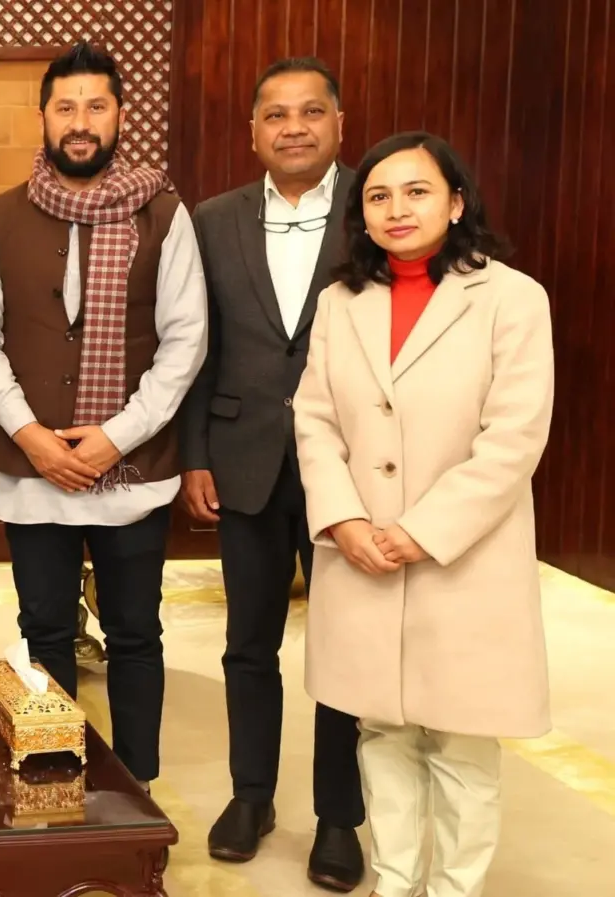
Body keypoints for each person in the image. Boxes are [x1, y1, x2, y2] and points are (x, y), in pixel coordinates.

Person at [294, 131, 553, 897]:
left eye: (417, 191)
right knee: (381, 731)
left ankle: (454, 888)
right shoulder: (341, 302)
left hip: (464, 556)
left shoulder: (512, 298)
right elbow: (314, 419)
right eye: (378, 196)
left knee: (463, 743)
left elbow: (514, 436)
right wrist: (343, 519)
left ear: (457, 203)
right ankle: (397, 879)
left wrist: (421, 530)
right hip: (362, 551)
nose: (397, 208)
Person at [0, 42, 207, 789]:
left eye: (96, 106)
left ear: (120, 114)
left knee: (134, 633)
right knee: (45, 629)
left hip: (133, 468)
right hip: (31, 468)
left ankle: (136, 789)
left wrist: (115, 437)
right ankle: (55, 783)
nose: (80, 122)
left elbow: (186, 339)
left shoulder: (164, 215)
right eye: (65, 107)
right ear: (42, 116)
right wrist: (31, 435)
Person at [178, 57, 365, 889]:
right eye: (276, 115)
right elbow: (196, 346)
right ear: (252, 131)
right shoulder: (212, 219)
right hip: (243, 458)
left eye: (311, 112)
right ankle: (251, 794)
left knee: (345, 650)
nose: (294, 128)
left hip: (351, 469)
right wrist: (194, 454)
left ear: (339, 124)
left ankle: (338, 816)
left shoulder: (375, 206)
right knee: (247, 644)